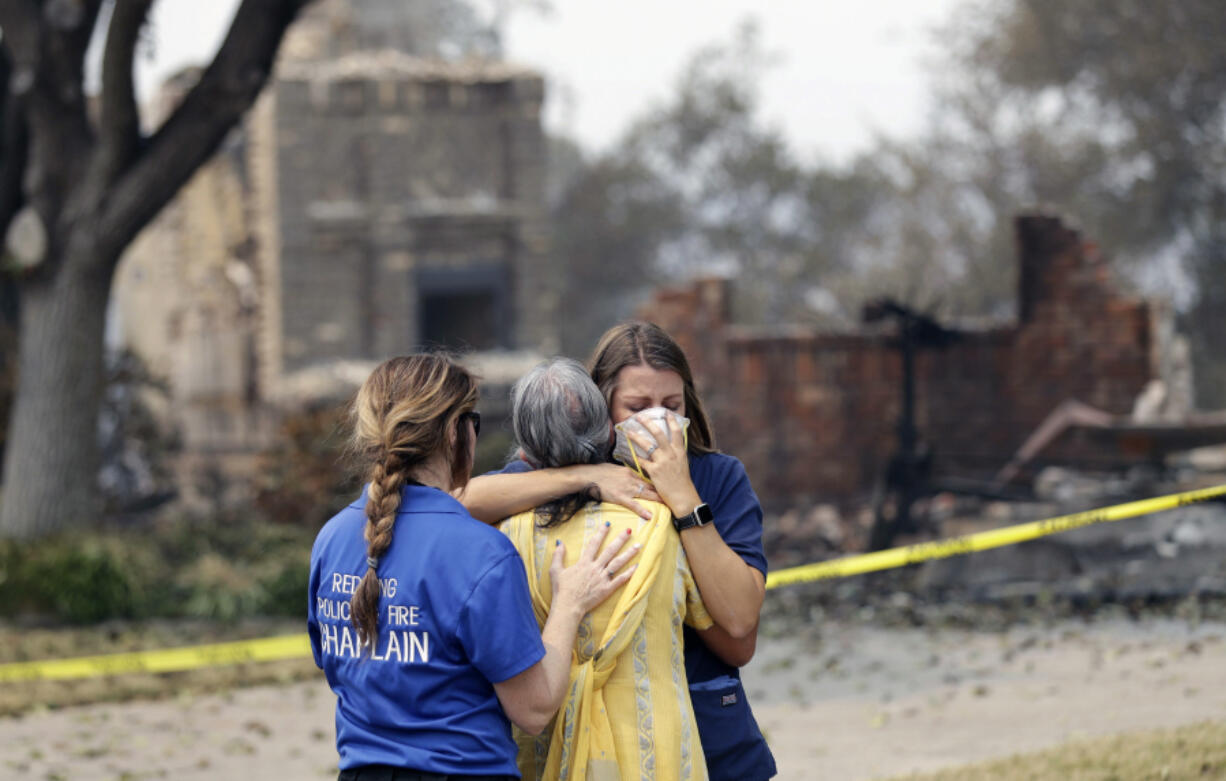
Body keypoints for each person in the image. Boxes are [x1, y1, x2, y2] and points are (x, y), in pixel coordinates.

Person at [462, 324, 777, 781]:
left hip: (710, 736)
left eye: (672, 406)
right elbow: (460, 502)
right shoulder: (550, 477)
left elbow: (739, 629)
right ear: (601, 407)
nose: (658, 419)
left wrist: (683, 498)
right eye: (637, 407)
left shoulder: (719, 477)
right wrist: (583, 477)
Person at [308, 354, 638, 780]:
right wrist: (570, 604)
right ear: (454, 432)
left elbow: (341, 665)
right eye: (473, 422)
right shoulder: (481, 553)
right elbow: (534, 709)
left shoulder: (330, 540)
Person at [499, 358, 713, 780]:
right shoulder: (660, 521)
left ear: (524, 448)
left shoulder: (502, 539)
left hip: (547, 755)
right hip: (657, 757)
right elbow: (706, 616)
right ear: (608, 433)